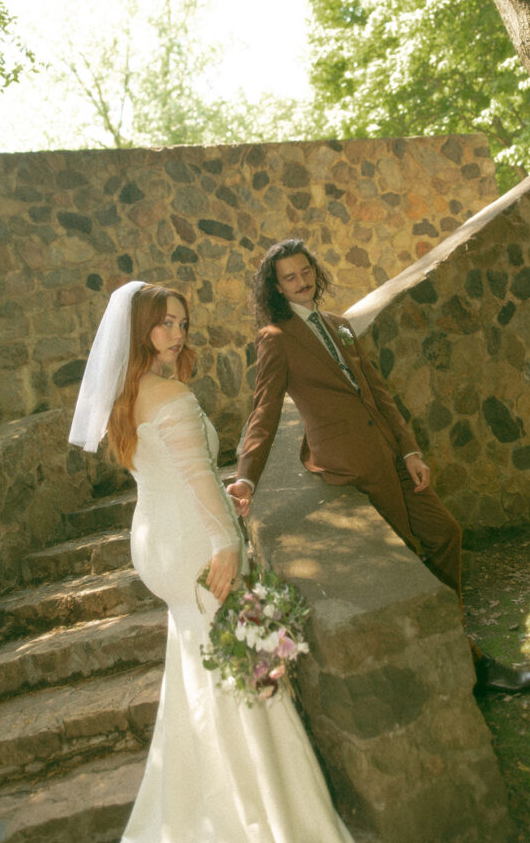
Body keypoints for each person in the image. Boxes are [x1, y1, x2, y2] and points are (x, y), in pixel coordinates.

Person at [69, 280, 354, 843]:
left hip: (159, 542)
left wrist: (222, 501)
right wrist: (228, 540)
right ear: (140, 329)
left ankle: (202, 801)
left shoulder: (130, 394)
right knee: (238, 666)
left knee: (202, 668)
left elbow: (176, 474)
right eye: (165, 323)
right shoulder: (170, 396)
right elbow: (198, 479)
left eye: (182, 323)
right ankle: (269, 812)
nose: (177, 334)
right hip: (197, 545)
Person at [227, 239, 530, 696]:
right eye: (289, 277)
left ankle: (456, 642)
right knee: (413, 554)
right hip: (352, 464)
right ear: (275, 288)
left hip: (393, 458)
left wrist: (411, 451)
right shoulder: (276, 338)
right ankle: (471, 664)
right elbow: (264, 411)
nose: (302, 281)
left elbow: (379, 394)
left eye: (305, 271)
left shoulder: (338, 325)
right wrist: (245, 475)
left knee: (446, 534)